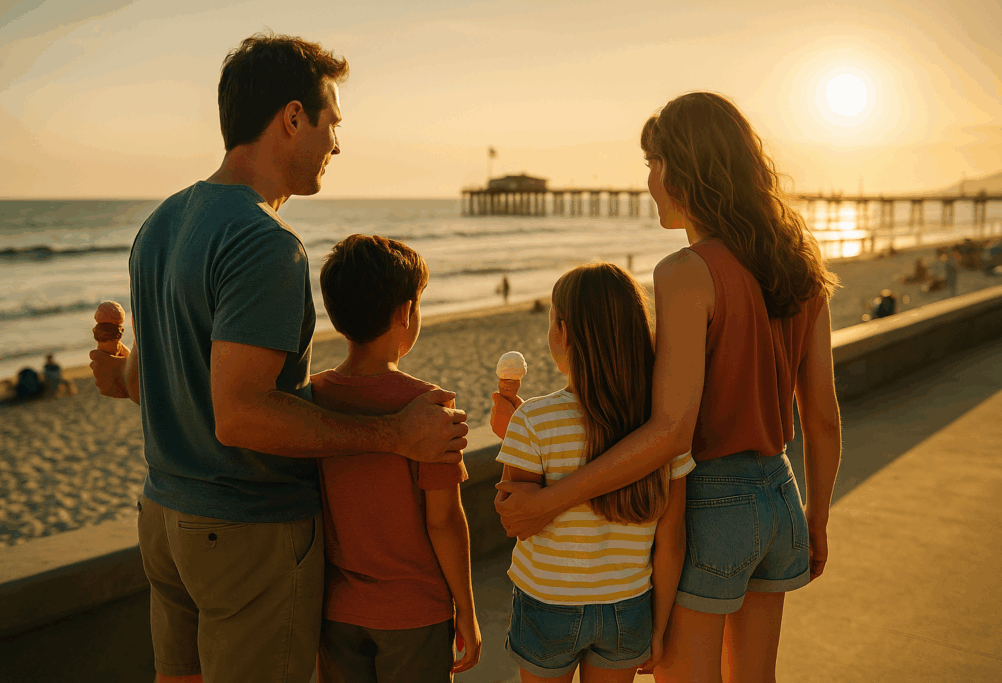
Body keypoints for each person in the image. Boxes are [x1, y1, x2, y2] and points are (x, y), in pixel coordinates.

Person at [88, 34, 467, 683]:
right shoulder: (266, 244)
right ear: (293, 118)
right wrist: (392, 434)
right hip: (246, 533)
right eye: (333, 123)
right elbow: (240, 415)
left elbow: (147, 382)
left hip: (165, 520)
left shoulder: (162, 224)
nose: (337, 145)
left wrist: (117, 371)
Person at [494, 92, 842, 682]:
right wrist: (815, 518)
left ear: (685, 168)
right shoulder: (798, 262)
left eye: (652, 164)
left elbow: (670, 430)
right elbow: (823, 415)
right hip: (780, 493)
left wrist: (549, 500)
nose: (649, 181)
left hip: (711, 504)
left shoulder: (686, 273)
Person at [495, 263, 695, 682]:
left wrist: (512, 435)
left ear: (563, 334)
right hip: (628, 607)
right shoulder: (660, 427)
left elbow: (518, 521)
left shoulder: (534, 420)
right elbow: (671, 540)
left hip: (548, 601)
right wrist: (658, 629)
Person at [311, 234, 481, 682]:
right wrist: (465, 609)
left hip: (337, 609)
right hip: (415, 613)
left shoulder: (313, 398)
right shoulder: (428, 407)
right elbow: (444, 521)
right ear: (406, 313)